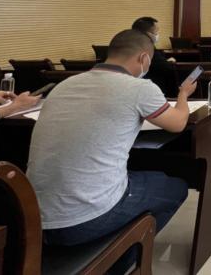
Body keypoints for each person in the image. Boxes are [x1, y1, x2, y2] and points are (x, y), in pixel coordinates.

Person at [27, 30, 197, 268]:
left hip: (32, 217)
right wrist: (183, 94)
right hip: (82, 219)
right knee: (176, 188)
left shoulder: (65, 85)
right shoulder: (140, 88)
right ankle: (116, 262)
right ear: (144, 58)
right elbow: (178, 123)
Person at [132, 16, 175, 94]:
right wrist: (169, 63)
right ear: (147, 34)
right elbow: (166, 68)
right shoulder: (147, 48)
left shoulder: (129, 44)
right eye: (156, 32)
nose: (157, 34)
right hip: (151, 91)